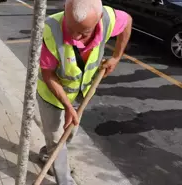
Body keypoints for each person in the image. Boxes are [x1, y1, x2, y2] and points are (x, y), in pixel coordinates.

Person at [36, 0, 132, 184]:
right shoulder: (50, 30)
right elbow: (48, 76)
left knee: (69, 134)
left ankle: (47, 153)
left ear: (99, 19)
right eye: (71, 29)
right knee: (57, 141)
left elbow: (127, 21)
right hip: (51, 97)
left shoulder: (107, 19)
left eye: (83, 32)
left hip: (81, 94)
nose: (75, 37)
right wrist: (67, 107)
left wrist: (117, 57)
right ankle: (65, 180)